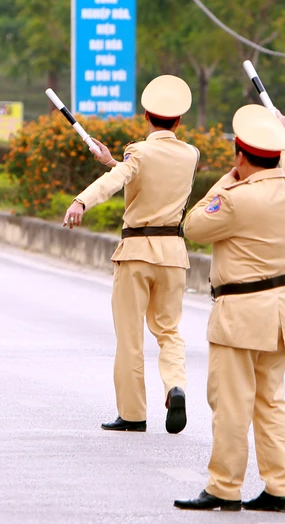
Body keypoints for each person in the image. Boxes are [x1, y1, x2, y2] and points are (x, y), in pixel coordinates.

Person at [173, 104, 285, 513]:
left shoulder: (236, 199)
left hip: (239, 314)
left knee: (231, 403)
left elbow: (193, 226)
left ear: (239, 155)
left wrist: (228, 180)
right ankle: (281, 486)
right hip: (279, 311)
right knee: (270, 401)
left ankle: (224, 487)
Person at [63, 75, 200, 435]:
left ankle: (134, 414)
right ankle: (175, 385)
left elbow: (119, 180)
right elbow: (145, 179)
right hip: (173, 254)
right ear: (179, 121)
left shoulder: (137, 152)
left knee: (130, 337)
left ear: (145, 116)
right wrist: (112, 160)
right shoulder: (190, 154)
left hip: (137, 252)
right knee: (169, 330)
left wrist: (81, 201)